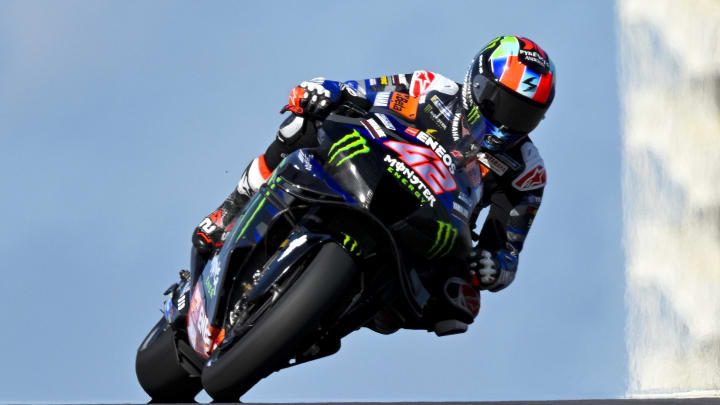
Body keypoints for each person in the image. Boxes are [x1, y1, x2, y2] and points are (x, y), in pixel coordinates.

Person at [192, 35, 555, 296]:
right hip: (366, 172)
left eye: (523, 115)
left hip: (433, 230)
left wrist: (493, 269)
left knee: (457, 301)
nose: (508, 122)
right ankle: (232, 209)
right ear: (476, 84)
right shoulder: (430, 88)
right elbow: (356, 91)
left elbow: (506, 252)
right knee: (302, 124)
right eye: (501, 104)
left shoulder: (525, 168)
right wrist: (323, 92)